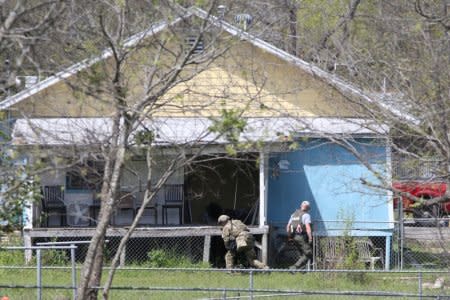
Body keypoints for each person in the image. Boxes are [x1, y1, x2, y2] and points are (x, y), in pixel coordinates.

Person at [286, 200, 313, 270]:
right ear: (308, 208)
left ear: (301, 206)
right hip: (301, 237)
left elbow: (288, 226)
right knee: (308, 253)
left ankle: (302, 271)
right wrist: (310, 238)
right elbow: (308, 227)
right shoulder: (306, 215)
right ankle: (294, 268)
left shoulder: (293, 215)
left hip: (293, 237)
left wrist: (289, 237)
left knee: (302, 254)